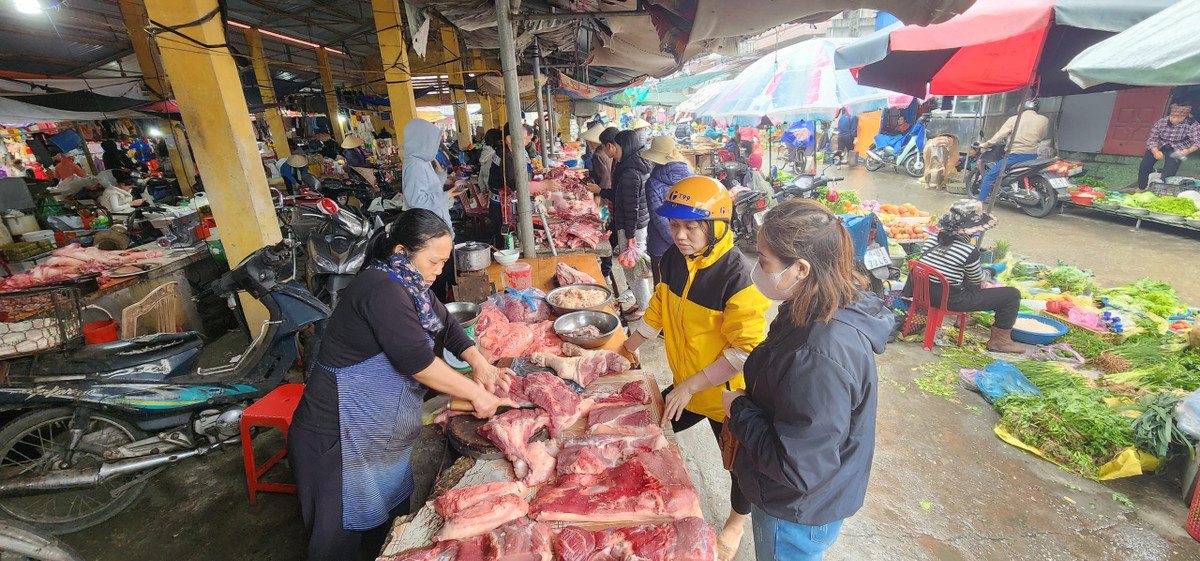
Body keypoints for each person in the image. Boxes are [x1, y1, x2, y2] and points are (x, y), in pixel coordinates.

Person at [289, 209, 514, 561]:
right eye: (434, 261)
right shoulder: (381, 290)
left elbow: (447, 323)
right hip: (337, 436)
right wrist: (475, 393)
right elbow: (419, 364)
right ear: (400, 252)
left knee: (386, 533)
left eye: (443, 262)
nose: (438, 271)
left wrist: (479, 363)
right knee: (336, 544)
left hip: (379, 436)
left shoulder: (413, 287)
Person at [722, 198, 892, 561]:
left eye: (763, 259)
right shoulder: (820, 302)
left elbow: (797, 468)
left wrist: (738, 409)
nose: (755, 267)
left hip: (796, 508)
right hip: (806, 494)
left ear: (800, 268)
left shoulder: (818, 354)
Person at [620, 176, 771, 561]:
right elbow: (658, 309)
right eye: (674, 225)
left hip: (727, 396)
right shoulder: (673, 258)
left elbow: (744, 351)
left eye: (691, 226)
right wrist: (626, 348)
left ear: (717, 227)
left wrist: (690, 386)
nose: (681, 235)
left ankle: (735, 524)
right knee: (645, 427)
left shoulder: (739, 278)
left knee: (740, 469)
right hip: (686, 384)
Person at [906, 199, 1023, 353]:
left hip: (924, 294)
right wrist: (993, 271)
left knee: (966, 276)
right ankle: (1000, 341)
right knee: (1012, 295)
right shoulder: (968, 251)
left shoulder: (933, 238)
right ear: (971, 229)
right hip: (949, 300)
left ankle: (964, 318)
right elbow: (978, 279)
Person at [609, 130, 653, 320]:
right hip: (638, 225)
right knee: (635, 266)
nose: (616, 152)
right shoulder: (638, 164)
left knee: (632, 267)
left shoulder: (630, 172)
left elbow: (631, 206)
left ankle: (645, 307)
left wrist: (629, 234)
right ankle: (641, 302)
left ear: (624, 147)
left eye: (617, 148)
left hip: (632, 227)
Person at [640, 136, 693, 286]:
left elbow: (660, 219)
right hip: (689, 246)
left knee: (662, 291)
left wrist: (676, 240)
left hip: (661, 249)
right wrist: (684, 242)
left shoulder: (653, 183)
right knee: (684, 291)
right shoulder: (692, 177)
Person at [977, 99, 1050, 202]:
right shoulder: (1044, 120)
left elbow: (999, 135)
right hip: (1032, 155)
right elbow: (1042, 136)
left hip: (1015, 155)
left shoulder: (1014, 119)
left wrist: (986, 144)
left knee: (990, 176)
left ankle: (979, 202)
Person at [402, 119, 464, 238]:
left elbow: (432, 189)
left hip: (435, 226)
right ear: (423, 141)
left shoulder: (422, 162)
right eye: (433, 142)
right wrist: (446, 195)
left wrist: (440, 173)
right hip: (429, 230)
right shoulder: (415, 165)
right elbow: (416, 202)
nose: (436, 146)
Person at [1138, 99, 1200, 191]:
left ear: (1186, 116)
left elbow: (1197, 142)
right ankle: (1141, 188)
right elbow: (1152, 139)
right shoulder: (1161, 122)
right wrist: (1155, 151)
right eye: (1173, 116)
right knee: (1144, 166)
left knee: (1169, 171)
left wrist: (1188, 151)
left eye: (1179, 117)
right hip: (1160, 144)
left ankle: (1161, 191)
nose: (1175, 119)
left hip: (1179, 146)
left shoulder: (1193, 125)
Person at [488, 123, 534, 248]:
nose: (527, 143)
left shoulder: (506, 151)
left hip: (500, 202)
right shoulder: (505, 157)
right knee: (503, 238)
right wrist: (543, 186)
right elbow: (514, 184)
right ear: (509, 139)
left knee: (504, 236)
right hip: (501, 205)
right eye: (525, 139)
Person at [477, 128, 501, 197]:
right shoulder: (495, 155)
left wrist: (483, 189)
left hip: (488, 191)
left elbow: (481, 175)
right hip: (495, 192)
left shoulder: (485, 152)